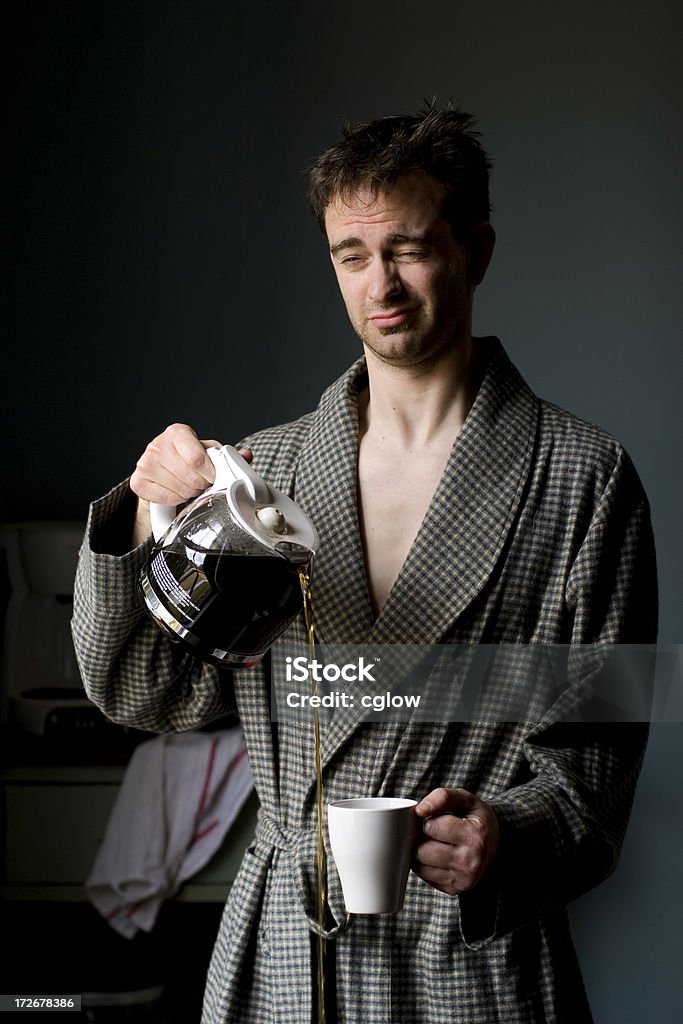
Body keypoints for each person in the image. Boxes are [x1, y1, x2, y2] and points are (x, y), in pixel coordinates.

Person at [72, 104, 658, 1024]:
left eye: (410, 249)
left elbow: (594, 781)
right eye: (351, 255)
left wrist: (505, 837)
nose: (379, 283)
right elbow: (143, 695)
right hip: (283, 953)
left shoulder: (584, 480)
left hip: (471, 964)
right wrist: (152, 517)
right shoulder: (262, 481)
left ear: (476, 249)